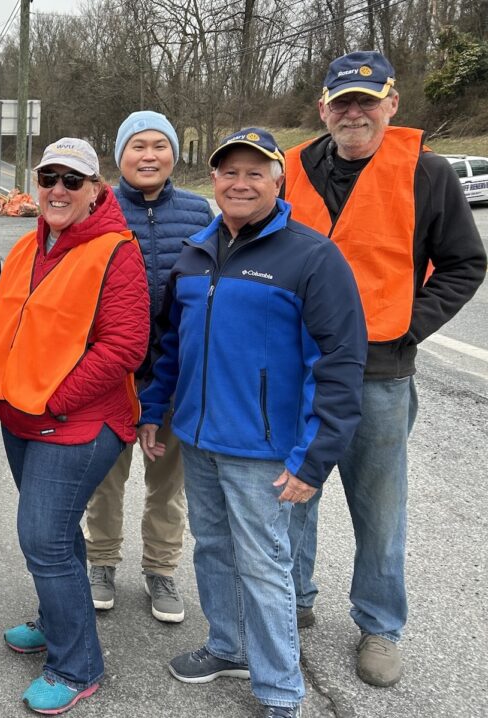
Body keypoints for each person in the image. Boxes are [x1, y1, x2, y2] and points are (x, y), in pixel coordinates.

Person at [140, 129, 367, 718]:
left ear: (277, 180)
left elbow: (338, 364)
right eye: (228, 172)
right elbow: (172, 347)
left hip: (264, 450)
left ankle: (280, 690)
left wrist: (313, 458)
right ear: (212, 180)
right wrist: (153, 412)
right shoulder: (195, 252)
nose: (240, 183)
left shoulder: (311, 256)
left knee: (265, 565)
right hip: (197, 437)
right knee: (212, 547)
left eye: (254, 173)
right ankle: (227, 645)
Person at [284, 50, 487, 687]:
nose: (354, 114)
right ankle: (293, 601)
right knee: (291, 497)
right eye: (342, 103)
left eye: (367, 103)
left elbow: (463, 264)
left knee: (379, 509)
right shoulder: (289, 169)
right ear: (323, 108)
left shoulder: (426, 174)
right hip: (296, 369)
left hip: (380, 374)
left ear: (391, 106)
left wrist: (408, 325)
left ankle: (379, 623)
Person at [0, 138, 150, 715]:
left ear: (95, 191)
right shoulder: (34, 244)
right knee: (55, 535)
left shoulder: (115, 251)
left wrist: (54, 401)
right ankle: (58, 620)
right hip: (22, 415)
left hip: (77, 420)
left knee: (43, 537)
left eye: (71, 181)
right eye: (48, 177)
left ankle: (76, 665)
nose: (57, 190)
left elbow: (125, 346)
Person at [84, 111, 211, 620]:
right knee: (105, 479)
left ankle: (160, 570)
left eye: (160, 145)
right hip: (112, 373)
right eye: (138, 146)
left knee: (167, 483)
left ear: (173, 154)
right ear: (120, 156)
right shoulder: (98, 208)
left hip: (176, 373)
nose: (149, 155)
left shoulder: (200, 213)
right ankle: (102, 562)